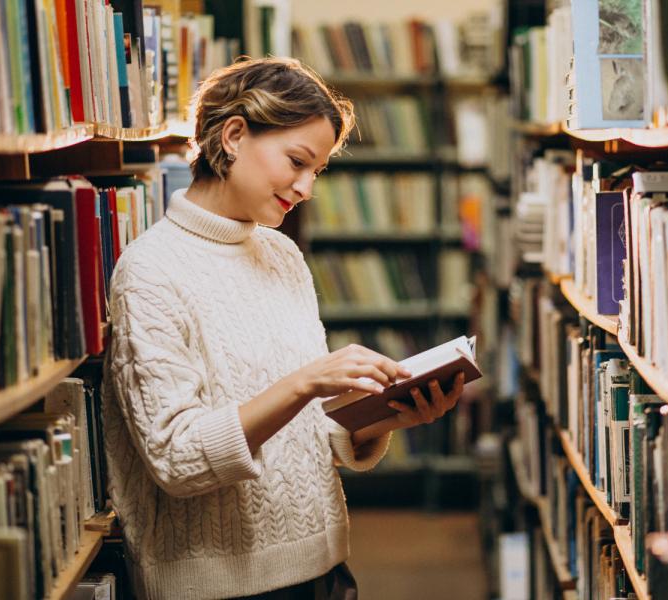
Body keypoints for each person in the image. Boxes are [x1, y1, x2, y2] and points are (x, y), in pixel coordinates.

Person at [102, 56, 465, 600]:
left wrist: (380, 416)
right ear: (233, 135)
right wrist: (303, 383)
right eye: (297, 161)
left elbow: (313, 433)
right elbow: (176, 459)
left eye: (315, 171)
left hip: (325, 568)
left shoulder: (282, 255)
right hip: (219, 586)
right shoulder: (149, 271)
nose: (306, 188)